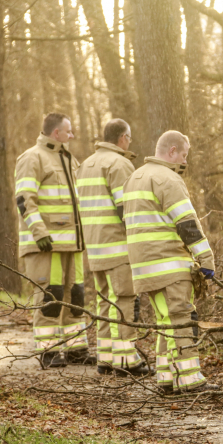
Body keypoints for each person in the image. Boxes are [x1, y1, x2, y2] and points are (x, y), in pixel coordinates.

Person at [123, 130, 218, 393]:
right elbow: (187, 224)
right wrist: (206, 258)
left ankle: (166, 378)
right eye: (184, 155)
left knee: (165, 320)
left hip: (144, 267)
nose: (185, 162)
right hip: (169, 262)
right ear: (173, 151)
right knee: (182, 317)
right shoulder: (168, 179)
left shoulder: (134, 178)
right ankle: (190, 379)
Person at [15, 113, 92, 368]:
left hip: (72, 244)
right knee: (50, 296)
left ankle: (76, 350)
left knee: (76, 297)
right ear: (56, 133)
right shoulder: (32, 158)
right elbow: (24, 199)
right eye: (68, 131)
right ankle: (48, 352)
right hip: (47, 245)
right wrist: (39, 233)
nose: (72, 136)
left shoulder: (69, 159)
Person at [75, 118, 150, 375]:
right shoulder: (120, 163)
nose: (130, 141)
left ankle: (105, 359)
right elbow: (126, 208)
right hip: (118, 247)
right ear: (122, 138)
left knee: (104, 300)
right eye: (129, 137)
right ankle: (127, 361)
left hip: (95, 249)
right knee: (125, 300)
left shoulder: (85, 164)